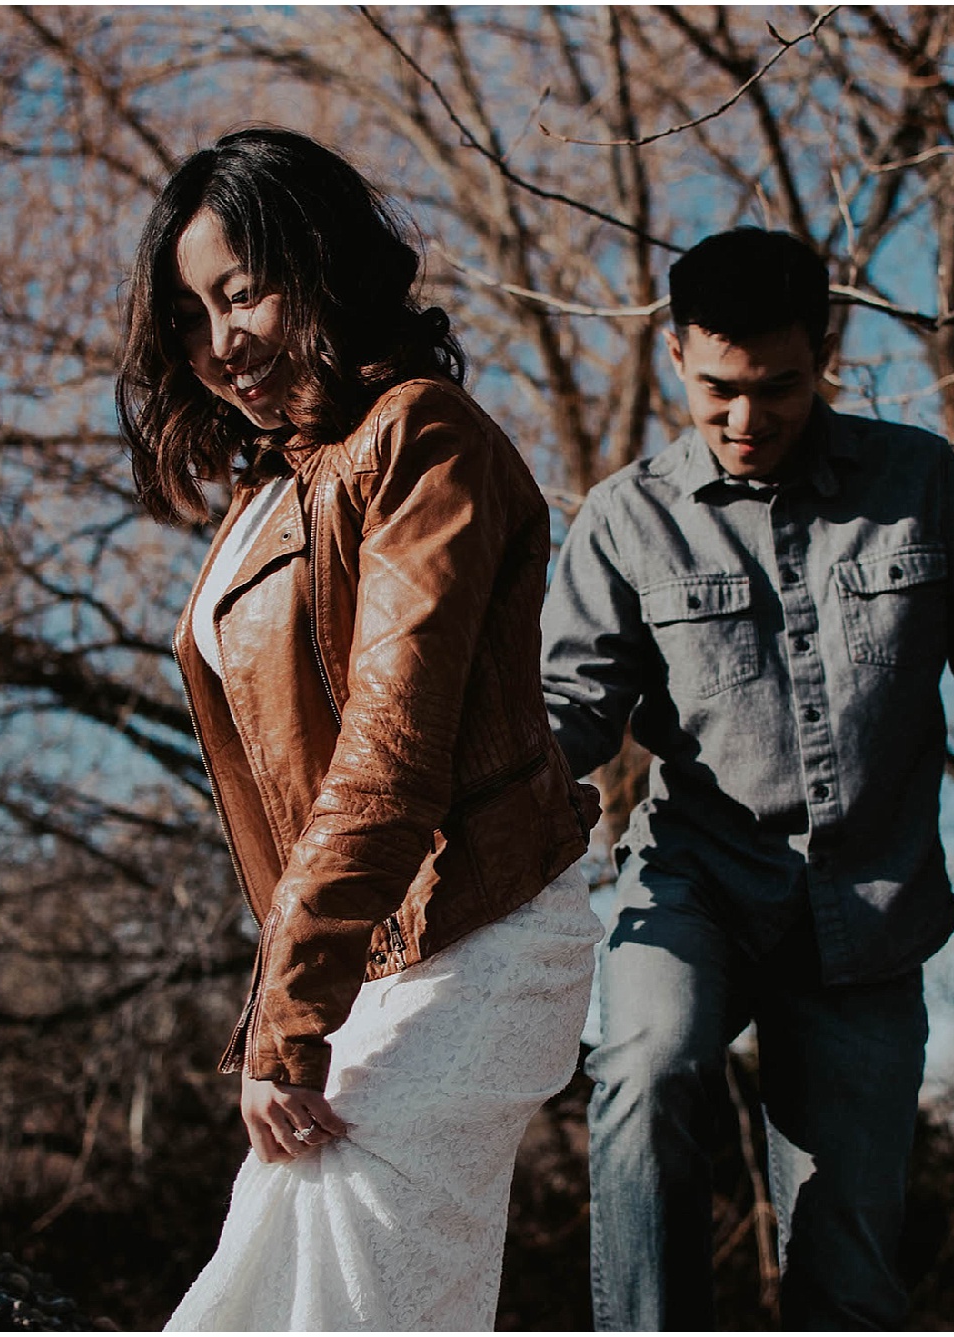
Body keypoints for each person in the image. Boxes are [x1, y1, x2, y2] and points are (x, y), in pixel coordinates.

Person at [540, 228, 954, 1329]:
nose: (745, 419)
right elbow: (565, 717)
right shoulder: (625, 518)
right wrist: (448, 825)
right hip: (695, 884)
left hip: (867, 911)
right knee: (648, 1060)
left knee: (847, 1276)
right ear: (675, 356)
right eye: (717, 390)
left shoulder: (918, 486)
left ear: (824, 354)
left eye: (778, 387)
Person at [118, 126, 603, 1331]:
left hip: (483, 933)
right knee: (275, 1276)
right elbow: (284, 798)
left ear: (326, 268)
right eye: (189, 315)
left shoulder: (418, 438)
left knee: (342, 1274)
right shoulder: (266, 489)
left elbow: (385, 758)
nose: (220, 343)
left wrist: (287, 1022)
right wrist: (285, 1002)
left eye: (245, 292)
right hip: (369, 959)